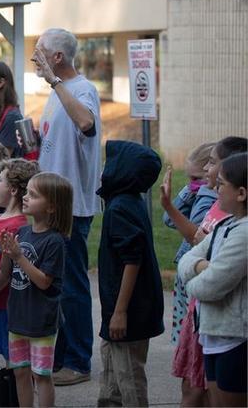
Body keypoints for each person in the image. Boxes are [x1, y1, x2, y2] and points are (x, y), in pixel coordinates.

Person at [30, 28, 101, 385]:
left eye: (40, 51)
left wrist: (56, 82)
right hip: (50, 201)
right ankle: (57, 359)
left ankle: (78, 361)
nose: (34, 57)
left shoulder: (81, 89)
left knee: (71, 286)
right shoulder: (56, 92)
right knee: (53, 286)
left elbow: (86, 124)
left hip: (70, 206)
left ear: (57, 58)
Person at [167, 136, 247, 406]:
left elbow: (207, 286)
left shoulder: (244, 233)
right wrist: (203, 266)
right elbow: (188, 260)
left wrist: (197, 272)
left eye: (222, 185)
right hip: (213, 333)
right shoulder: (226, 225)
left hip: (234, 338)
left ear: (241, 193)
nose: (215, 190)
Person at [95, 141, 164, 407]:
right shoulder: (126, 201)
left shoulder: (121, 207)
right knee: (112, 375)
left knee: (129, 378)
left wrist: (120, 311)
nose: (105, 168)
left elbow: (132, 260)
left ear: (123, 171)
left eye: (110, 163)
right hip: (118, 311)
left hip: (128, 312)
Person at [0, 172, 72, 408]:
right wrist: (7, 253)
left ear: (51, 207)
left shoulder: (55, 241)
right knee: (20, 372)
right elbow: (7, 271)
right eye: (26, 192)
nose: (25, 197)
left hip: (41, 320)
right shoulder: (23, 233)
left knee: (41, 374)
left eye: (33, 195)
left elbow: (44, 282)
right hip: (18, 316)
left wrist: (19, 256)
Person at [0, 158, 40, 376]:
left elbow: (5, 273)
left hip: (5, 303)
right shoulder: (1, 217)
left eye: (0, 180)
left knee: (15, 361)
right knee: (7, 358)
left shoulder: (17, 225)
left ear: (14, 189)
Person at [161, 142, 216, 346]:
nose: (191, 183)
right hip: (186, 271)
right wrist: (188, 190)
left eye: (196, 179)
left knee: (190, 332)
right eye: (188, 178)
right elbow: (168, 219)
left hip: (197, 271)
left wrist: (202, 193)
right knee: (182, 328)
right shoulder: (197, 195)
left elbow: (196, 233)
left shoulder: (210, 200)